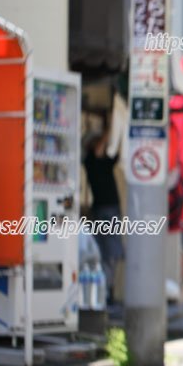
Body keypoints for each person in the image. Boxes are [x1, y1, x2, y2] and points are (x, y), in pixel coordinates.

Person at [83, 122, 124, 305]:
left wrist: (118, 132)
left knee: (111, 251)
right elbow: (99, 148)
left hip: (109, 209)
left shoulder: (104, 161)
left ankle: (108, 289)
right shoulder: (91, 161)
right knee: (106, 250)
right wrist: (111, 128)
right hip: (103, 210)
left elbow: (118, 154)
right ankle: (106, 291)